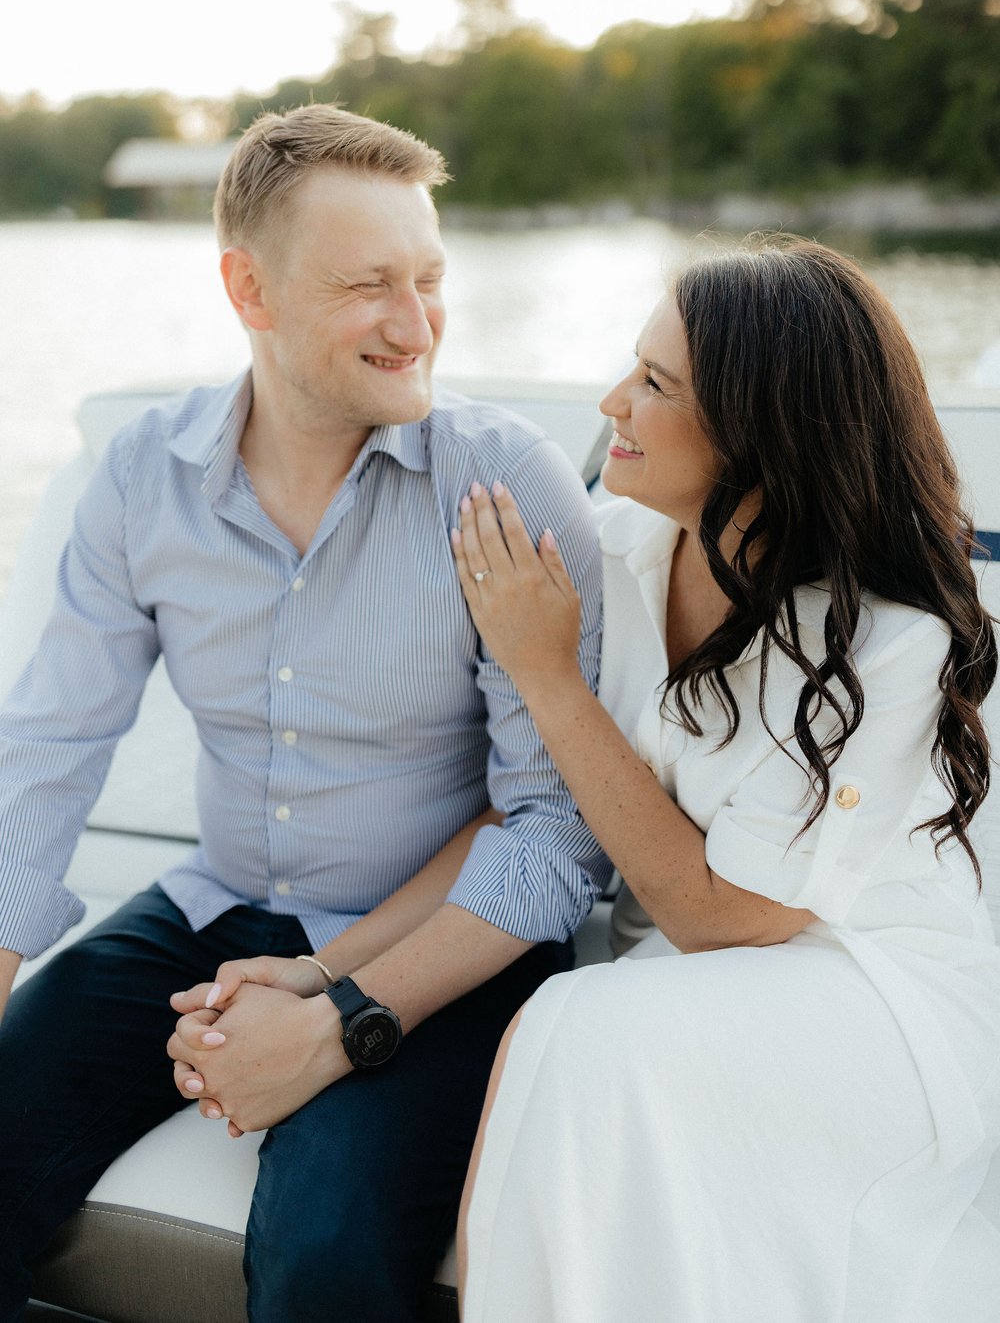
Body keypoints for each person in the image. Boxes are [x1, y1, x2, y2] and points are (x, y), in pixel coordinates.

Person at [0, 104, 608, 1322]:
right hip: (208, 908)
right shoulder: (142, 477)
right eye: (367, 285)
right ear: (250, 288)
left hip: (453, 946)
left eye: (429, 279)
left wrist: (334, 1009)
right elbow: (51, 746)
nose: (416, 322)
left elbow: (557, 830)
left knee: (322, 1259)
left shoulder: (504, 484)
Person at [451, 237, 1000, 1323]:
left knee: (576, 1033)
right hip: (669, 974)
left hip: (873, 991)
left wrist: (547, 675)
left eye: (655, 385)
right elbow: (506, 797)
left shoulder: (899, 642)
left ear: (763, 433)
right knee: (581, 1035)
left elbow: (717, 918)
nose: (611, 400)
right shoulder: (606, 560)